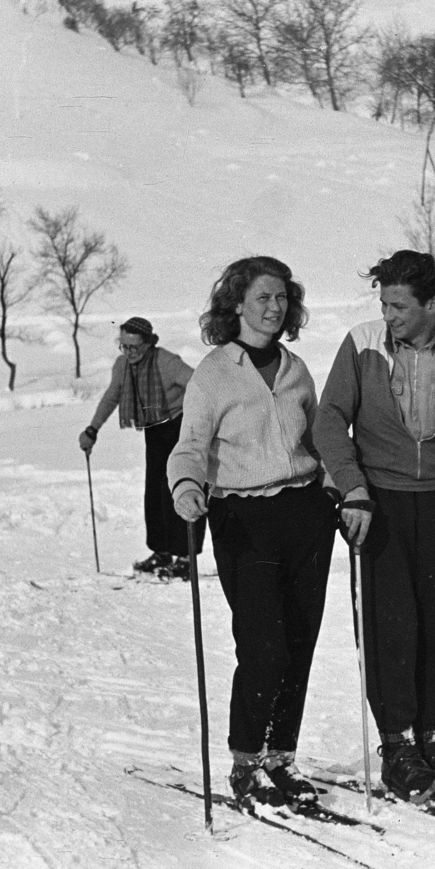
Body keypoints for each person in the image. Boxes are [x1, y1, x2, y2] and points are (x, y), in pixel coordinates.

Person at [314, 250, 435, 802]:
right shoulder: (362, 344)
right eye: (384, 303)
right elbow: (329, 419)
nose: (390, 314)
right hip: (378, 503)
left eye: (400, 305)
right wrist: (351, 486)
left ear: (432, 303)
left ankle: (430, 739)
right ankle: (397, 746)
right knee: (389, 624)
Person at [167, 256, 337, 808]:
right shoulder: (214, 374)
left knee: (299, 640)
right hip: (244, 518)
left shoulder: (296, 369)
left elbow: (319, 441)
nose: (274, 307)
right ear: (236, 303)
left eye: (282, 298)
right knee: (264, 645)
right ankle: (246, 761)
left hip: (306, 514)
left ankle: (281, 758)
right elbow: (190, 446)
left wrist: (340, 484)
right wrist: (187, 487)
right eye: (263, 297)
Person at [79, 317, 196, 579]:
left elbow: (199, 385)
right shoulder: (123, 366)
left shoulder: (167, 362)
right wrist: (92, 429)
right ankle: (162, 552)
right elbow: (112, 396)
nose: (129, 353)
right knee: (154, 494)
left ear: (149, 343)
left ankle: (186, 558)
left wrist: (199, 418)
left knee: (178, 491)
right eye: (124, 346)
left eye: (135, 347)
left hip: (179, 428)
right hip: (154, 430)